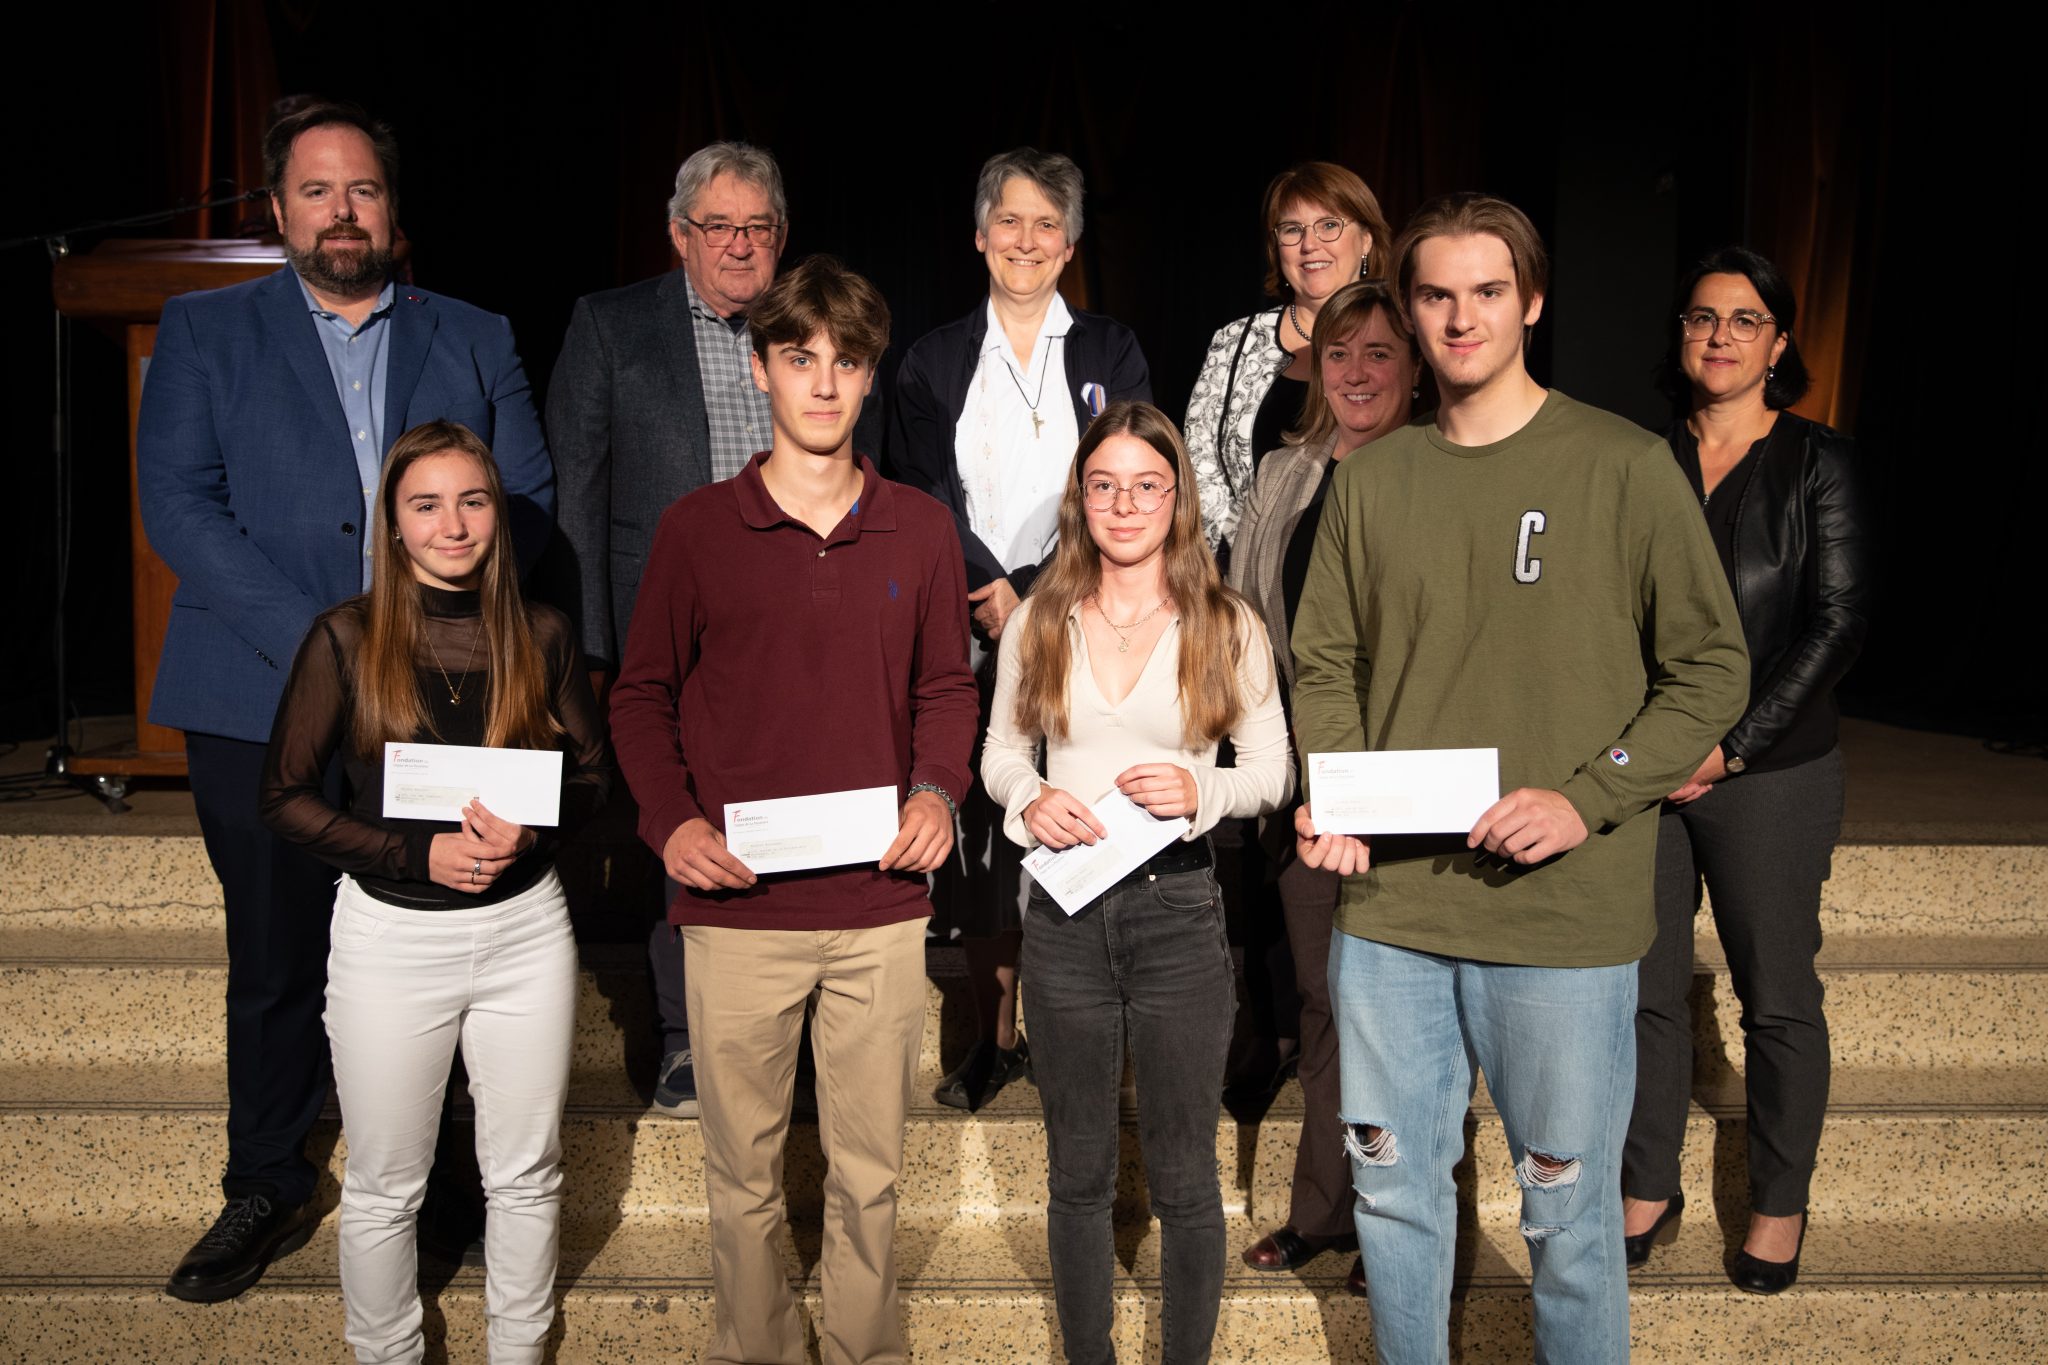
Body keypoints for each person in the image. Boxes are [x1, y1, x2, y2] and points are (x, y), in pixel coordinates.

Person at [1290, 193, 1750, 1364]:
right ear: (1409, 309)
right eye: (1435, 295)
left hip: (1560, 921)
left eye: (1486, 291)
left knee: (1568, 1221)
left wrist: (1586, 797)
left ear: (1531, 302)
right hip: (1391, 917)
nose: (1460, 318)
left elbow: (1709, 671)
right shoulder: (1370, 481)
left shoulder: (1622, 466)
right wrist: (1336, 794)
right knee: (1393, 1199)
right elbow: (1325, 664)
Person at [137, 98, 554, 1302]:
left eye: (361, 189)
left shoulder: (473, 332)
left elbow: (524, 501)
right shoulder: (206, 329)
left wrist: (433, 652)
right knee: (273, 953)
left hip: (446, 705)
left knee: (447, 930)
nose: (341, 211)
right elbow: (180, 508)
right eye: (316, 191)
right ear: (278, 210)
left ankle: (447, 1189)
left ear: (392, 208)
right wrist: (335, 653)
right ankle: (266, 1181)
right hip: (257, 690)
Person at [609, 255, 979, 1364]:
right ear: (760, 369)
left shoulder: (921, 528)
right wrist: (672, 822)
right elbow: (640, 695)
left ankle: (866, 1350)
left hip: (878, 906)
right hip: (739, 911)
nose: (823, 381)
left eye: (846, 361)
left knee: (871, 1176)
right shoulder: (695, 529)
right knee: (742, 1179)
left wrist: (938, 790)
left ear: (869, 377)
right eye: (799, 356)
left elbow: (945, 688)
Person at [258, 421, 607, 1363]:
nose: (452, 524)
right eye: (427, 504)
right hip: (391, 940)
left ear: (497, 513)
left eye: (472, 500)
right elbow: (283, 797)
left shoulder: (541, 633)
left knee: (526, 1173)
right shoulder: (344, 636)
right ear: (395, 523)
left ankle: (519, 1351)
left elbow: (594, 777)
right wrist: (413, 855)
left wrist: (531, 828)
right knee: (385, 1185)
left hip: (525, 933)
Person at [550, 140, 879, 1121]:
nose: (739, 244)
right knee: (684, 821)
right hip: (665, 624)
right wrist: (591, 650)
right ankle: (687, 1037)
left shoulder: (814, 333)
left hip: (806, 624)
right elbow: (577, 498)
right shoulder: (611, 326)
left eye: (757, 227)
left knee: (802, 817)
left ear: (782, 236)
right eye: (718, 226)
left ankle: (800, 1032)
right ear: (678, 234)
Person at [983, 401, 1292, 1364]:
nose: (1125, 504)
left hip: (1177, 910)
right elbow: (1000, 754)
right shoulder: (1039, 618)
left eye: (1146, 485)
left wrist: (1203, 789)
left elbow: (1273, 773)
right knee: (1076, 1174)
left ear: (1177, 497)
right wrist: (1028, 797)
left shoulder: (1225, 622)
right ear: (1081, 498)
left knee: (1185, 1177)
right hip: (1065, 914)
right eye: (1105, 485)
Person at [1621, 246, 1873, 1293]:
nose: (1718, 336)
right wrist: (1642, 750)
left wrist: (1730, 747)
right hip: (1648, 772)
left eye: (1743, 319)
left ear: (1777, 345)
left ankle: (1777, 1202)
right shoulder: (1638, 461)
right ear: (1679, 337)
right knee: (1640, 993)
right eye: (1700, 317)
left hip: (1770, 771)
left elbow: (1836, 622)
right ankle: (1646, 1184)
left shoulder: (1816, 461)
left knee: (1775, 996)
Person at [888, 147, 1151, 1110]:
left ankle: (1080, 1034)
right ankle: (993, 1040)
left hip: (1087, 612)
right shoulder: (934, 359)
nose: (1026, 241)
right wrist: (988, 588)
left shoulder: (1111, 351)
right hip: (966, 620)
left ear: (1071, 244)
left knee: (1084, 807)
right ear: (978, 235)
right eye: (1009, 221)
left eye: (1047, 225)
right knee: (984, 837)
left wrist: (1034, 594)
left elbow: (1129, 480)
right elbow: (919, 491)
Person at [1226, 279, 1418, 1295]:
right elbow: (1241, 624)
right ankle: (1323, 1210)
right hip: (1308, 780)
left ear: (1413, 364)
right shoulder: (1282, 473)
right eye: (1338, 353)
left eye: (1378, 352)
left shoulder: (1440, 469)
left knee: (1409, 1010)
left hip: (1415, 784)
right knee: (1320, 998)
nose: (1355, 372)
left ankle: (1404, 1219)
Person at [1184, 162, 1392, 552]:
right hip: (1245, 568)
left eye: (1328, 225)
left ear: (1366, 240)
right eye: (1293, 230)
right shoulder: (1235, 342)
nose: (1310, 244)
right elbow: (1201, 472)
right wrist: (1233, 572)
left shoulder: (1404, 335)